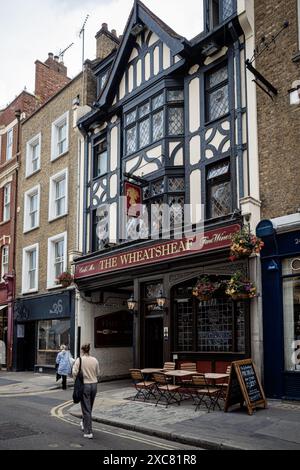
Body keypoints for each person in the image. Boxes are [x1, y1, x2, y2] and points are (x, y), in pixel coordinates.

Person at [72, 344, 100, 439]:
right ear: (89, 350)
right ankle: (84, 423)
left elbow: (74, 372)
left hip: (85, 385)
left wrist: (76, 380)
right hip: (94, 385)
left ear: (82, 350)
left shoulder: (79, 360)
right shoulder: (95, 360)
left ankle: (88, 432)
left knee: (86, 409)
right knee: (89, 407)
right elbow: (98, 373)